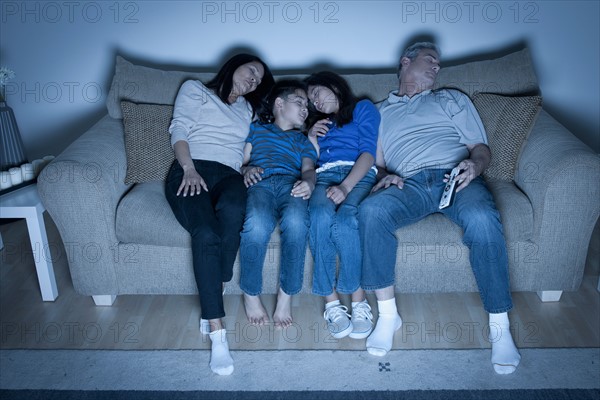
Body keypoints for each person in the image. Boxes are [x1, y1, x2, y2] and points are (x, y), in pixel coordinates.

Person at [359, 42, 521, 374]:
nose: (436, 67)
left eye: (438, 64)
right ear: (406, 62)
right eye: (430, 61)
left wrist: (474, 167)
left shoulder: (450, 98)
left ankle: (500, 327)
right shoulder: (376, 112)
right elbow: (375, 163)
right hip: (409, 183)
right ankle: (388, 316)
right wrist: (385, 176)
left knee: (481, 217)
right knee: (370, 212)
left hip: (456, 176)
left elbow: (480, 149)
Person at [165, 54, 274, 376]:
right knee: (207, 234)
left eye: (258, 79)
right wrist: (188, 169)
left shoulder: (249, 109)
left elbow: (247, 148)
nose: (254, 79)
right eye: (251, 70)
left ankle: (217, 280)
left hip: (229, 176)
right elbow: (179, 129)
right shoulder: (196, 89)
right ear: (233, 65)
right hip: (191, 168)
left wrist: (248, 166)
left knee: (235, 210)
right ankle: (217, 331)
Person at [304, 71, 380, 340]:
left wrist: (346, 187)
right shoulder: (317, 124)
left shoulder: (363, 108)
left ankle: (358, 300)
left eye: (317, 94)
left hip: (358, 175)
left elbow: (368, 153)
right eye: (311, 100)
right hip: (324, 176)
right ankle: (332, 303)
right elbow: (309, 165)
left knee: (347, 221)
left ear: (334, 86)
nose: (315, 102)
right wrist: (311, 138)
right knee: (319, 217)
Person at [239, 80, 317, 329]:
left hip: (291, 183)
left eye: (307, 105)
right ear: (279, 104)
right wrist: (245, 169)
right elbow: (240, 161)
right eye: (299, 102)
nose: (305, 108)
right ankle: (250, 293)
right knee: (257, 225)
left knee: (296, 224)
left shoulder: (302, 140)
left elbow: (308, 170)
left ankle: (286, 295)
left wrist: (309, 184)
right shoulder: (257, 129)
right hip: (260, 181)